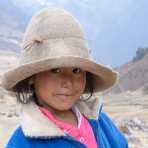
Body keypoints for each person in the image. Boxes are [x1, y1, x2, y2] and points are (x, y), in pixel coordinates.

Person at [2, 8, 128, 148]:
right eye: (55, 70)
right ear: (32, 76)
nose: (68, 82)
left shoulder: (99, 121)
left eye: (76, 70)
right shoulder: (22, 143)